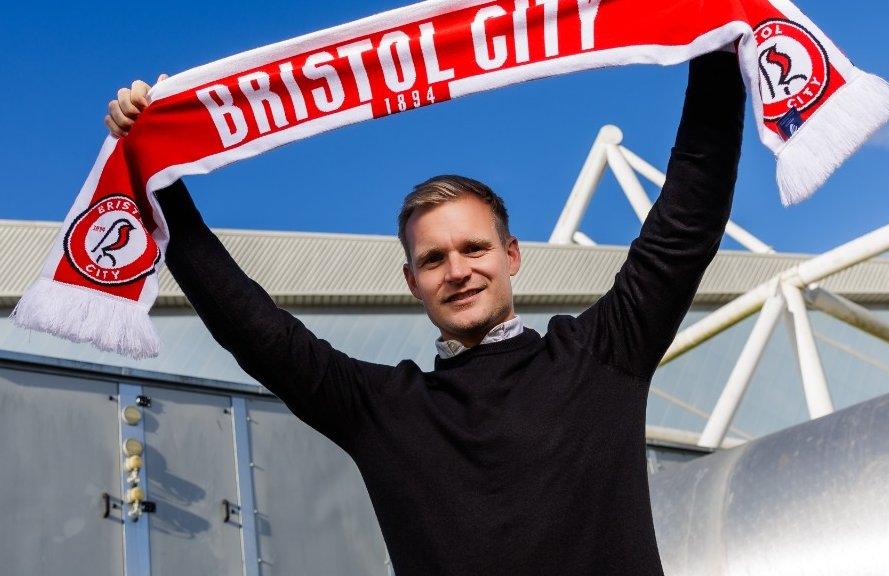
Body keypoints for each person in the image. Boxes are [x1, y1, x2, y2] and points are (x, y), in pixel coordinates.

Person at [106, 50, 744, 575]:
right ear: (411, 281)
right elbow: (251, 324)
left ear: (512, 255)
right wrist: (157, 173)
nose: (458, 270)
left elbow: (683, 227)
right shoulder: (384, 411)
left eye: (474, 248)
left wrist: (715, 48)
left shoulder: (602, 357)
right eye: (434, 258)